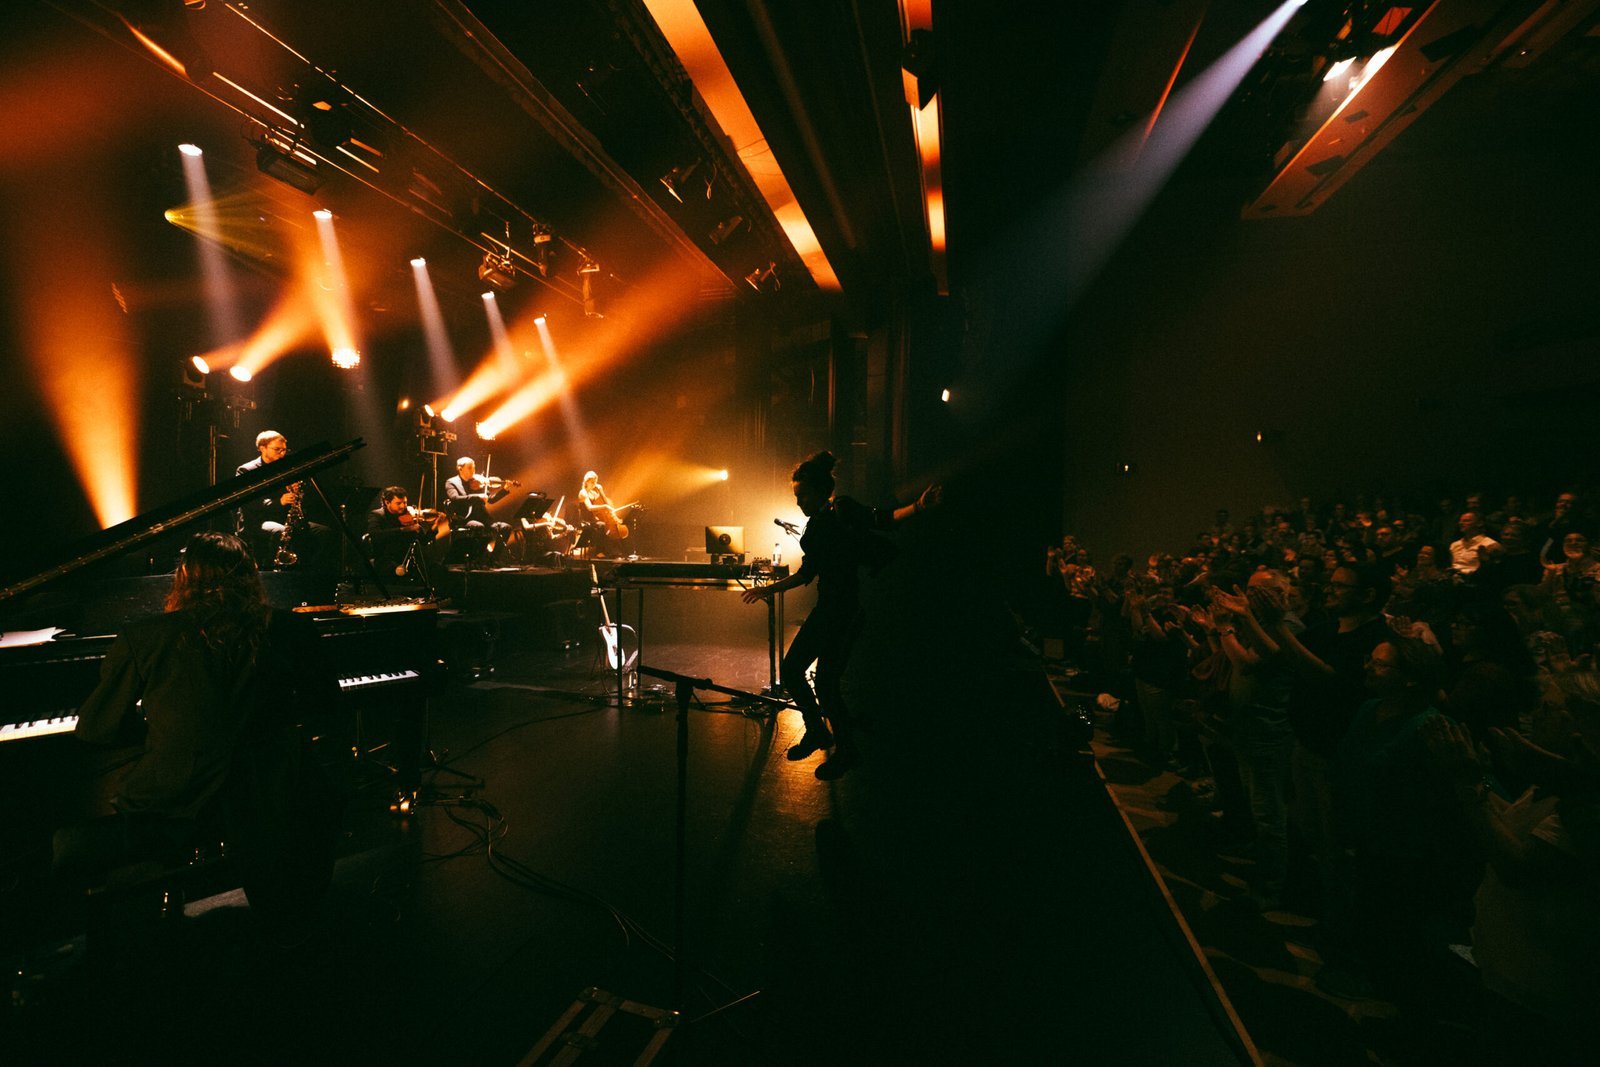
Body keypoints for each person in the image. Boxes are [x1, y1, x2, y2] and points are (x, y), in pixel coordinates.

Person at [55, 532, 339, 931]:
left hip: (176, 798)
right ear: (251, 576)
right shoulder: (293, 629)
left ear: (183, 578)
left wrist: (168, 725)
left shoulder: (144, 637)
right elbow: (326, 706)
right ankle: (287, 921)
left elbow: (96, 729)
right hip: (270, 793)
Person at [740, 451, 939, 780]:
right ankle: (834, 742)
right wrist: (767, 590)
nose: (799, 501)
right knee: (816, 680)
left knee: (807, 676)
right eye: (796, 496)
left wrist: (917, 507)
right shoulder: (816, 524)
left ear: (820, 490)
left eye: (802, 494)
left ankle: (828, 738)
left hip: (843, 611)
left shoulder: (841, 508)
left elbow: (881, 519)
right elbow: (807, 574)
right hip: (830, 608)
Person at [234, 430, 329, 567]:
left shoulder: (287, 467)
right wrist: (279, 501)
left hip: (283, 518)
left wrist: (296, 490)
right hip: (257, 520)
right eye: (277, 449)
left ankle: (310, 572)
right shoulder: (246, 470)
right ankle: (277, 573)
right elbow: (249, 502)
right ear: (262, 448)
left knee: (325, 533)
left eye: (284, 450)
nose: (282, 453)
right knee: (282, 532)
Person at [445, 457, 512, 562]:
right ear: (460, 468)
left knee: (506, 528)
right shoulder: (452, 482)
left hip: (483, 518)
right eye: (470, 468)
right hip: (465, 518)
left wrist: (505, 489)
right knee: (478, 527)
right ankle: (477, 558)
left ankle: (494, 558)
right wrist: (477, 496)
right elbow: (455, 499)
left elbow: (490, 500)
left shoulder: (478, 482)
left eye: (474, 468)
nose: (473, 471)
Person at [367, 486, 429, 578]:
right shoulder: (377, 515)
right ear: (387, 502)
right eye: (398, 503)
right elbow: (375, 535)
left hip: (408, 559)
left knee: (434, 568)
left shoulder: (407, 515)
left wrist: (433, 529)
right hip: (386, 559)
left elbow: (423, 541)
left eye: (405, 502)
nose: (403, 506)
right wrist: (402, 530)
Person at [576, 470, 635, 555]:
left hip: (594, 518)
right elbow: (589, 508)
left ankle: (617, 552)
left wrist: (601, 491)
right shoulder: (583, 492)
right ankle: (599, 551)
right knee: (602, 526)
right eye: (592, 482)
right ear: (586, 482)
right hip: (586, 519)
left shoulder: (593, 492)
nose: (594, 484)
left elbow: (604, 501)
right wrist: (605, 506)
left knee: (606, 526)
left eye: (595, 482)